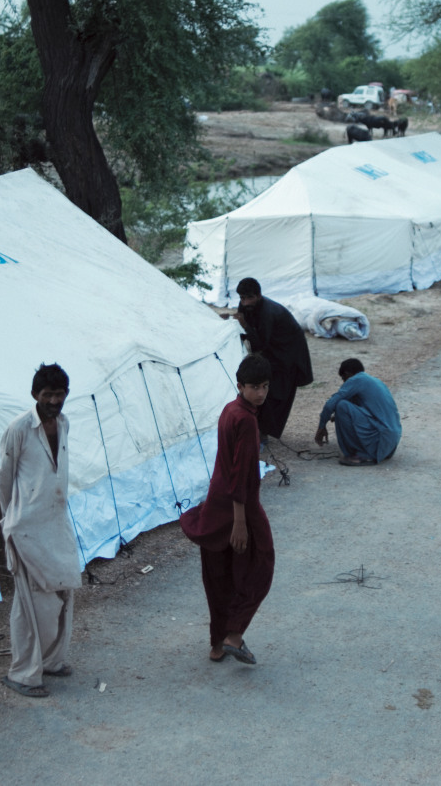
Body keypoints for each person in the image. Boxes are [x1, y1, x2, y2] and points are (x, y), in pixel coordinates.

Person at [180, 355, 275, 666]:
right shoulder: (245, 419)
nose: (260, 393)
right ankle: (233, 635)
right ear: (240, 385)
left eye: (265, 386)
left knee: (218, 575)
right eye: (254, 387)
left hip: (216, 501)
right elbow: (240, 472)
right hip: (239, 505)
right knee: (261, 564)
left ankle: (217, 644)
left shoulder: (230, 410)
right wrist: (240, 521)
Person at [0, 364, 81, 698]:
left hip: (56, 525)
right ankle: (23, 674)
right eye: (48, 395)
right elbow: (3, 479)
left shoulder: (64, 423)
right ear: (35, 395)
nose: (54, 401)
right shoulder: (19, 429)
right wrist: (11, 519)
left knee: (63, 592)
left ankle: (52, 661)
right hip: (26, 529)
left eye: (60, 395)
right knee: (30, 605)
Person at [232, 278, 314, 442]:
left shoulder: (268, 313)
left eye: (249, 298)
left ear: (258, 295)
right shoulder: (246, 306)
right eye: (242, 298)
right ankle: (256, 429)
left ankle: (262, 432)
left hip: (288, 354)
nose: (245, 302)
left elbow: (260, 342)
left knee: (275, 393)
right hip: (271, 351)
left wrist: (245, 326)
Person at [313, 359, 401, 466]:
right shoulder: (375, 381)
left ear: (347, 374)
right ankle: (371, 450)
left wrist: (321, 426)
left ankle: (363, 455)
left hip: (380, 440)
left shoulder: (356, 380)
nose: (344, 383)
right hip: (390, 443)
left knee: (341, 406)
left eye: (343, 379)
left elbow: (330, 404)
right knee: (342, 409)